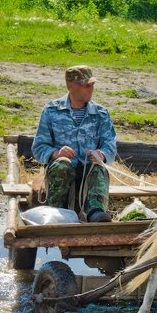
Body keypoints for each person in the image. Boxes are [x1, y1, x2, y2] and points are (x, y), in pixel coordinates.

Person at [31, 65, 117, 222]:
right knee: (62, 165)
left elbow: (110, 145)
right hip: (62, 173)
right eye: (86, 85)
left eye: (92, 85)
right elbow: (39, 147)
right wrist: (56, 154)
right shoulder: (51, 111)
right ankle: (57, 211)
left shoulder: (101, 113)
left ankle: (95, 211)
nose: (91, 89)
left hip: (89, 173)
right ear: (71, 85)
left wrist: (102, 154)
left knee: (98, 167)